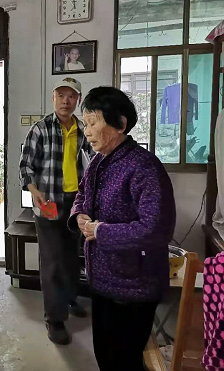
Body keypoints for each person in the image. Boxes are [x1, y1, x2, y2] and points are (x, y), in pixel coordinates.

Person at [68, 86, 176, 371]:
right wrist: (79, 214)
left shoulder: (144, 167)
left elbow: (156, 229)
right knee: (105, 356)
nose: (87, 132)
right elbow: (82, 193)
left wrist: (100, 232)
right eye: (85, 124)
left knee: (123, 361)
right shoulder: (98, 161)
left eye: (93, 123)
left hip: (133, 286)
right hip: (102, 280)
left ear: (120, 124)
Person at [19, 77, 92, 345]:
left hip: (75, 203)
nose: (65, 101)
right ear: (53, 98)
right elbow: (25, 165)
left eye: (71, 96)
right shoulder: (40, 129)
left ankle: (70, 298)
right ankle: (55, 319)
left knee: (71, 256)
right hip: (48, 202)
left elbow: (93, 162)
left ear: (78, 100)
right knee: (52, 260)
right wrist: (33, 190)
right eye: (60, 95)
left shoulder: (83, 129)